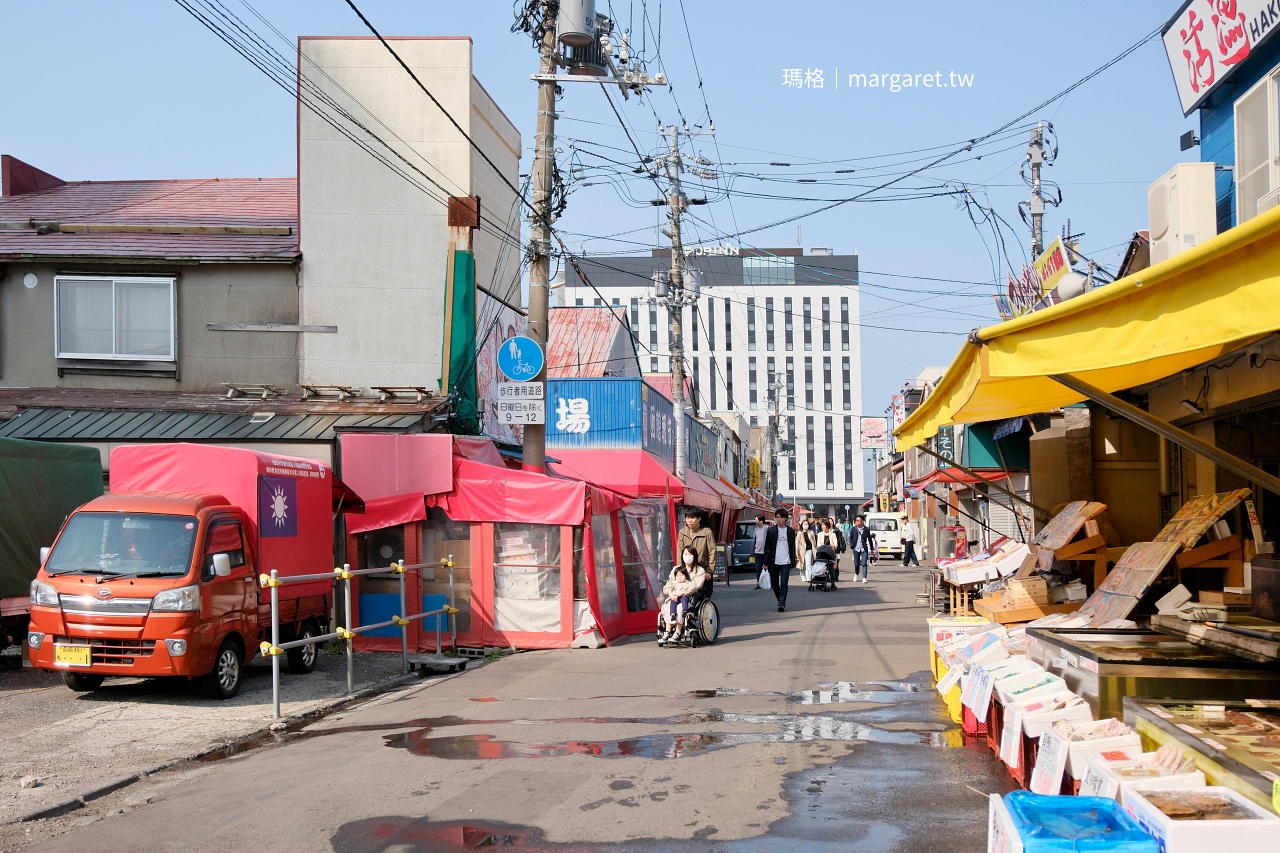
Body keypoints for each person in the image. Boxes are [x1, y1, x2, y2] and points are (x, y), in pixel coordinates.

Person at [658, 550, 700, 645]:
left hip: (687, 599)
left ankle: (677, 632)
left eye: (690, 554)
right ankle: (667, 632)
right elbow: (668, 585)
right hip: (674, 598)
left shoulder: (698, 571)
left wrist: (682, 593)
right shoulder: (676, 572)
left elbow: (695, 586)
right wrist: (671, 594)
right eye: (685, 554)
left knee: (680, 608)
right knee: (667, 606)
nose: (687, 556)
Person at [763, 508, 798, 611]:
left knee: (784, 583)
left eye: (781, 517)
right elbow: (767, 547)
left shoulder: (790, 531)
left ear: (786, 518)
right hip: (774, 560)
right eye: (777, 517)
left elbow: (792, 547)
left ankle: (781, 603)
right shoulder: (771, 530)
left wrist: (793, 559)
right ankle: (780, 599)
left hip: (786, 561)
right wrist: (765, 562)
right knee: (774, 583)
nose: (779, 519)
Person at [676, 507, 716, 596]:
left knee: (703, 597)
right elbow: (680, 552)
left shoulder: (706, 533)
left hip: (703, 571)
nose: (690, 520)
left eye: (692, 518)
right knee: (685, 598)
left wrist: (709, 571)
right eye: (687, 518)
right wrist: (680, 570)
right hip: (687, 572)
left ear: (699, 518)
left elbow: (712, 552)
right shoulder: (683, 533)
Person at [849, 514, 876, 583]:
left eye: (858, 520)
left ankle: (864, 577)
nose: (857, 522)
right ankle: (856, 573)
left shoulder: (866, 529)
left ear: (862, 521)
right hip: (856, 548)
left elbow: (869, 539)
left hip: (864, 548)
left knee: (864, 563)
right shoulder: (854, 528)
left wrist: (872, 548)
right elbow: (851, 538)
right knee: (856, 564)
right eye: (856, 520)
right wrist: (852, 545)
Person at [752, 513, 769, 590]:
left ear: (761, 521)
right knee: (758, 568)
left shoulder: (768, 528)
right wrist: (752, 551)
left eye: (756, 520)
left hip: (766, 552)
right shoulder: (756, 529)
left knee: (768, 568)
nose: (755, 521)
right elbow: (754, 541)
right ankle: (759, 584)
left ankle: (769, 582)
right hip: (757, 552)